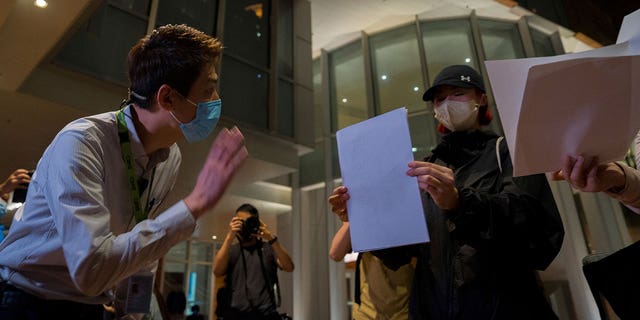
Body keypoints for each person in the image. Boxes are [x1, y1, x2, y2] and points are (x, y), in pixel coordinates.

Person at [0, 24, 248, 320]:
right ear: (167, 98)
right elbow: (91, 269)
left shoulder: (170, 157)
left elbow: (138, 239)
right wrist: (194, 205)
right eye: (208, 90)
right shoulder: (82, 143)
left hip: (90, 305)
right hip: (26, 300)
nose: (216, 99)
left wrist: (131, 310)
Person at [329, 65, 565, 320]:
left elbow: (535, 227)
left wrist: (460, 202)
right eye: (440, 99)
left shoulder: (509, 151)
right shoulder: (425, 167)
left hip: (505, 307)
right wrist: (363, 216)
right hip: (435, 307)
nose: (447, 103)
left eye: (457, 94)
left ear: (481, 98)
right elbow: (401, 253)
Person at [213, 203, 294, 320]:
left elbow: (289, 267)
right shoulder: (231, 251)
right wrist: (229, 236)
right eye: (241, 222)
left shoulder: (268, 248)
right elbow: (217, 271)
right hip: (236, 315)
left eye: (249, 222)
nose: (245, 226)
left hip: (266, 314)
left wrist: (271, 238)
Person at [328, 213, 414, 320]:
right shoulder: (365, 217)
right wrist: (355, 214)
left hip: (405, 311)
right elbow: (335, 253)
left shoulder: (410, 215)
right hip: (367, 312)